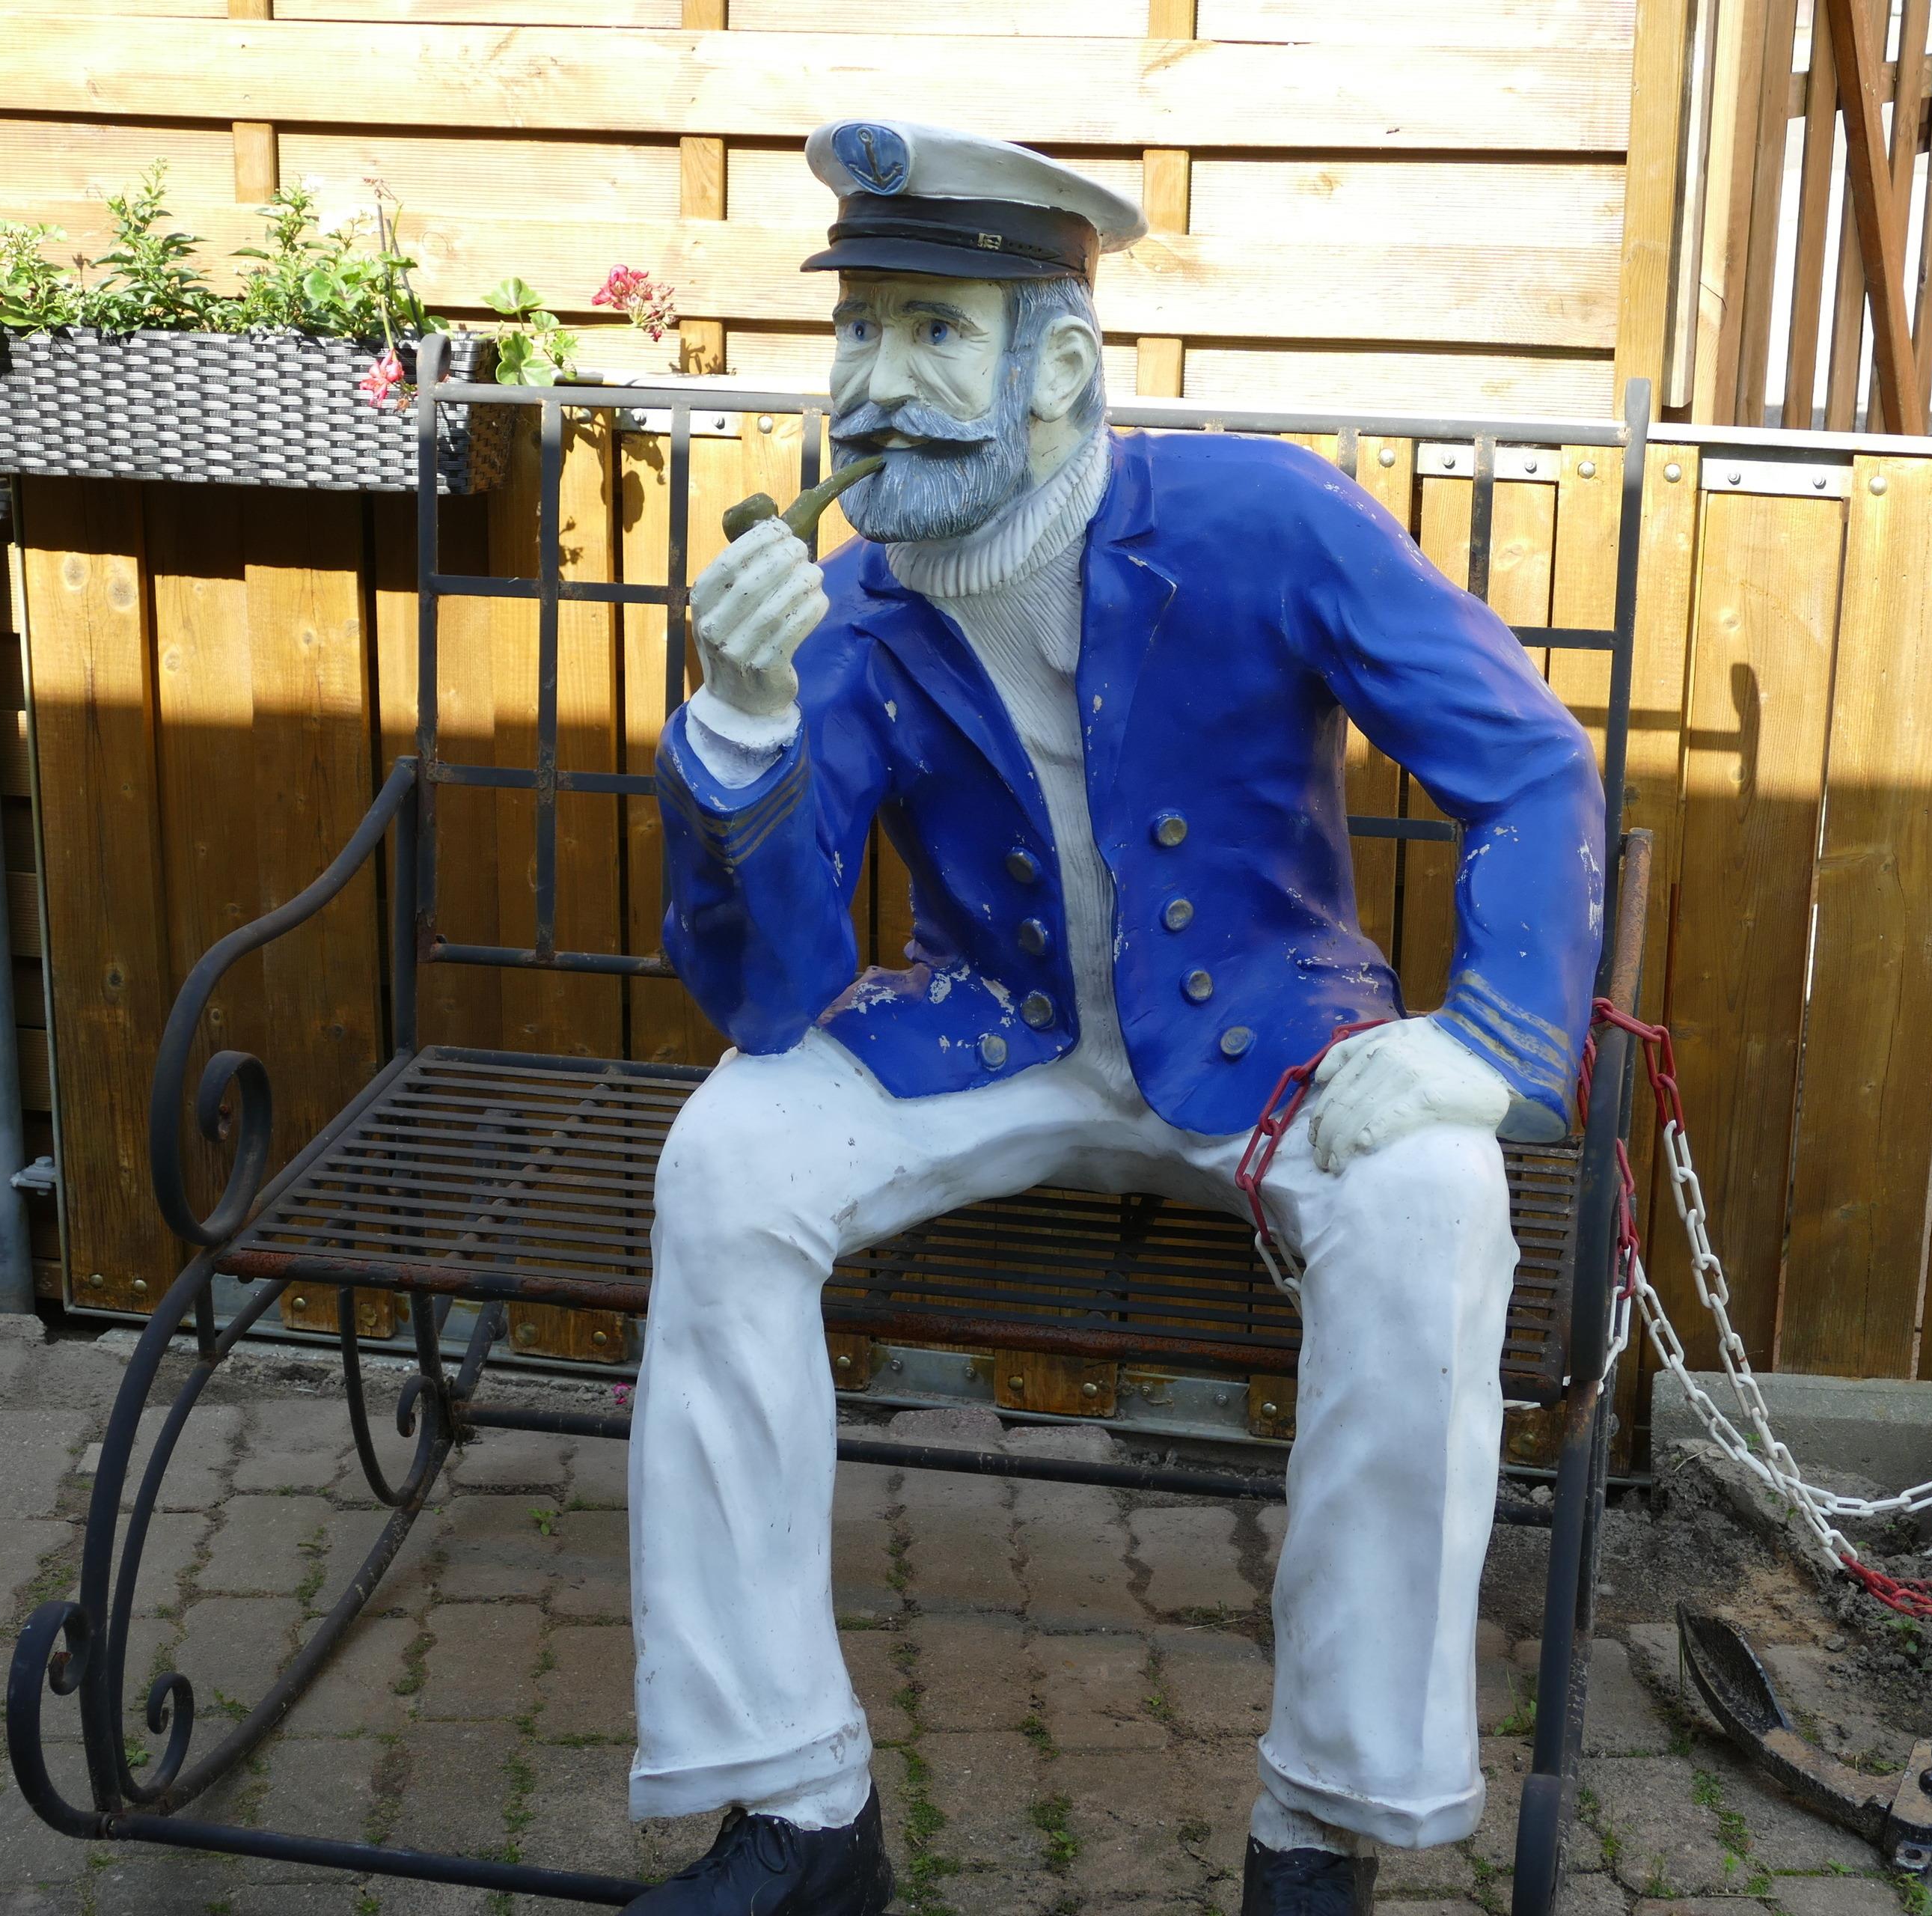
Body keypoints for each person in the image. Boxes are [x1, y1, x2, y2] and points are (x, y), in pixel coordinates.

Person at [626, 118, 1607, 1916]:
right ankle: (793, 1800)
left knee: (1433, 1199)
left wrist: (1487, 1043)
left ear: (1063, 367)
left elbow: (1530, 765)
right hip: (982, 1033)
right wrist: (744, 724)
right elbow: (766, 994)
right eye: (860, 328)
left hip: (1268, 1042)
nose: (877, 383)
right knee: (724, 1165)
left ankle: (1327, 1818)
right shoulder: (846, 612)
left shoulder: (1263, 520)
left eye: (936, 331)